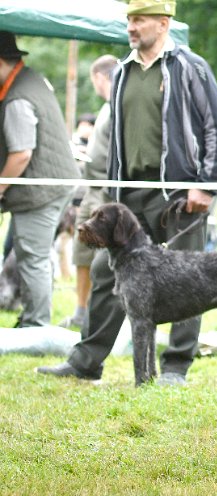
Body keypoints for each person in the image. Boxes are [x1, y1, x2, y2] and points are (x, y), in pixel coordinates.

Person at [38, 0, 217, 385]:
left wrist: (206, 187)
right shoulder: (123, 71)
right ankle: (86, 361)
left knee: (187, 277)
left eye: (139, 19)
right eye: (129, 19)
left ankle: (176, 367)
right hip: (128, 195)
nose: (131, 27)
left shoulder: (190, 67)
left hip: (179, 194)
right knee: (103, 272)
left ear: (163, 23)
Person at [0, 31, 80, 327]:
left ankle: (36, 324)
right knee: (35, 255)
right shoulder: (30, 79)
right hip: (53, 184)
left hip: (40, 190)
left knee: (31, 258)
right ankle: (34, 319)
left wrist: (0, 186)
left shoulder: (17, 98)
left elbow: (21, 154)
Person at [60, 54, 118, 330]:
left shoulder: (117, 104)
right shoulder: (106, 106)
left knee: (99, 259)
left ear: (99, 77)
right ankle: (80, 310)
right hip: (90, 187)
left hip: (104, 193)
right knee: (81, 254)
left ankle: (97, 314)